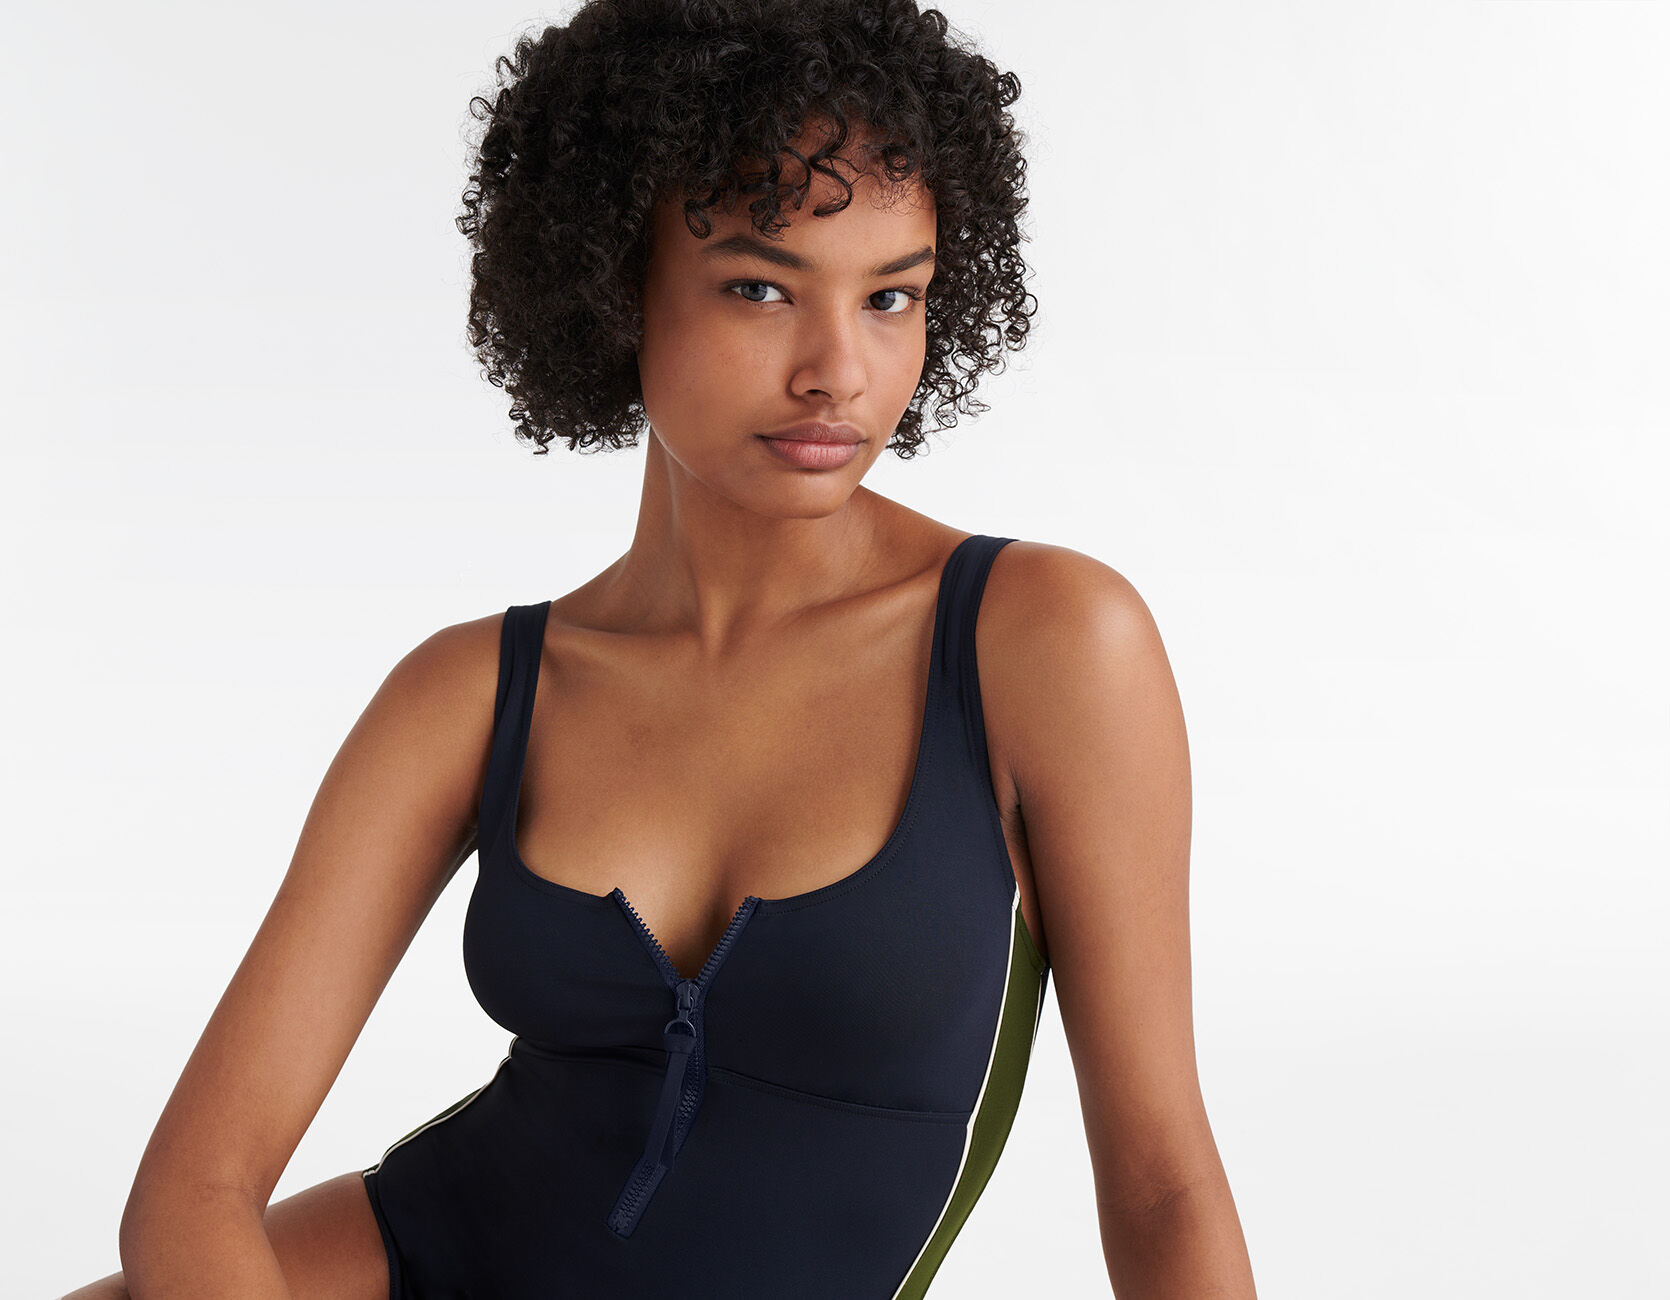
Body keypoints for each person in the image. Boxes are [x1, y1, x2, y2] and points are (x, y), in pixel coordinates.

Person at [64, 1, 1255, 1295]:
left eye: (890, 297)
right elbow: (195, 1190)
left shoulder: (1041, 640)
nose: (837, 371)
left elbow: (1163, 1187)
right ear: (611, 283)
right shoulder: (475, 693)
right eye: (759, 287)